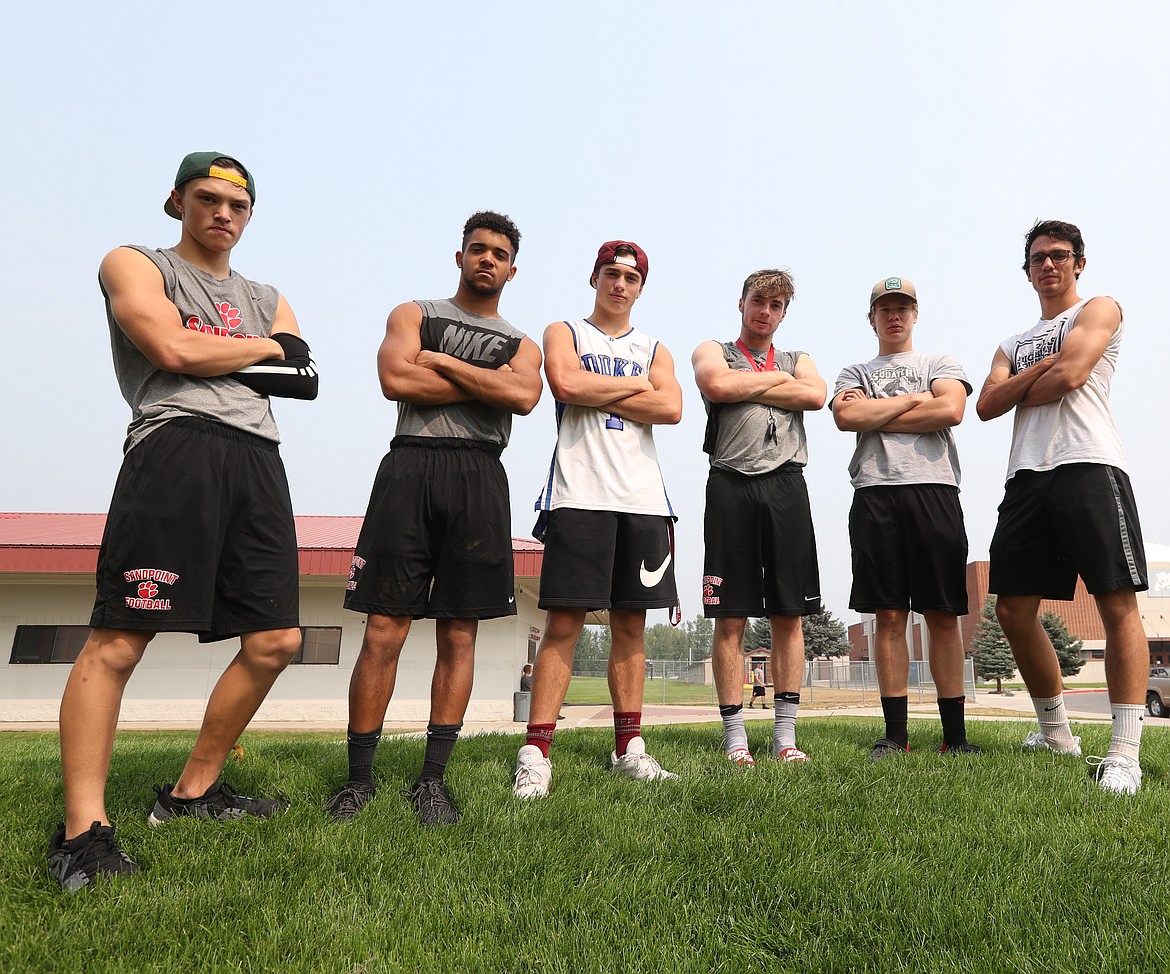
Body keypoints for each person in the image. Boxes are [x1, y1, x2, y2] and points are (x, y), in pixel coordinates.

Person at [49, 152, 319, 892]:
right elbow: (167, 347)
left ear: (250, 216)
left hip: (258, 456)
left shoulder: (266, 293)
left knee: (276, 639)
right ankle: (81, 832)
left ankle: (192, 793)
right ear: (178, 201)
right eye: (207, 198)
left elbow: (306, 378)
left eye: (237, 203)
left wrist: (226, 351)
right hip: (174, 443)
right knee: (120, 639)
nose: (222, 212)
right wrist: (263, 349)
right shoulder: (136, 263)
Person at [330, 211, 542, 825]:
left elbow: (523, 397)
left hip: (479, 474)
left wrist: (442, 364)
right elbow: (395, 377)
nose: (487, 260)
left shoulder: (523, 344)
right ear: (460, 256)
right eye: (477, 250)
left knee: (459, 633)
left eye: (499, 254)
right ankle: (358, 781)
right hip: (410, 469)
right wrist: (484, 381)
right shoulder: (413, 314)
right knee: (382, 630)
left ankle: (431, 782)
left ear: (511, 269)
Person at [976, 220, 1149, 795]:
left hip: (1089, 464)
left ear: (1078, 262)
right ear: (1027, 271)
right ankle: (1056, 733)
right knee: (1012, 610)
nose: (1048, 265)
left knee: (1116, 604)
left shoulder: (1099, 308)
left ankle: (1124, 752)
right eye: (1037, 258)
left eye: (1059, 255)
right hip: (1026, 477)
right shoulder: (1012, 341)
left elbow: (1074, 373)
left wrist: (1024, 383)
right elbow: (986, 405)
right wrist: (1038, 372)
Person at [513, 241, 683, 798]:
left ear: (641, 288)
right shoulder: (564, 331)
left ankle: (629, 747)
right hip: (578, 495)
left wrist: (607, 390)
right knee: (564, 623)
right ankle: (537, 752)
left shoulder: (655, 347)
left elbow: (672, 408)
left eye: (631, 278)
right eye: (611, 273)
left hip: (642, 501)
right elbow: (566, 384)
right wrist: (637, 388)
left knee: (631, 626)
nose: (620, 284)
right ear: (595, 277)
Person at [832, 277, 978, 760]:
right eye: (884, 308)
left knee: (942, 613)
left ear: (915, 314)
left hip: (935, 491)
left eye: (903, 307)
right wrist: (917, 402)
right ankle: (896, 735)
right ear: (871, 317)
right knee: (888, 615)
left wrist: (880, 413)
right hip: (875, 493)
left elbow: (953, 409)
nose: (894, 316)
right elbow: (847, 419)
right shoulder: (854, 370)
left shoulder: (940, 362)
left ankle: (954, 737)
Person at [692, 269, 826, 766]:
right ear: (742, 302)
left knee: (788, 614)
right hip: (730, 484)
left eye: (774, 304)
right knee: (730, 616)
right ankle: (735, 738)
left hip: (787, 485)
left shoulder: (799, 359)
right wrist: (777, 383)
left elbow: (814, 395)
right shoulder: (714, 349)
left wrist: (756, 382)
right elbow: (715, 384)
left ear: (783, 313)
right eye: (757, 301)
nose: (764, 311)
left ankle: (785, 737)